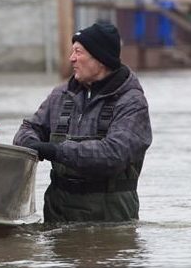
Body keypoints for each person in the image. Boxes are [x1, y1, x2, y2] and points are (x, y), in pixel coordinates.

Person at [13, 20, 152, 223]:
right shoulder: (60, 95)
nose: (71, 58)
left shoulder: (132, 102)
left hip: (110, 221)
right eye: (72, 52)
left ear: (101, 59)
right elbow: (29, 128)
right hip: (58, 216)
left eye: (78, 52)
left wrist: (55, 151)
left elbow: (113, 154)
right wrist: (29, 143)